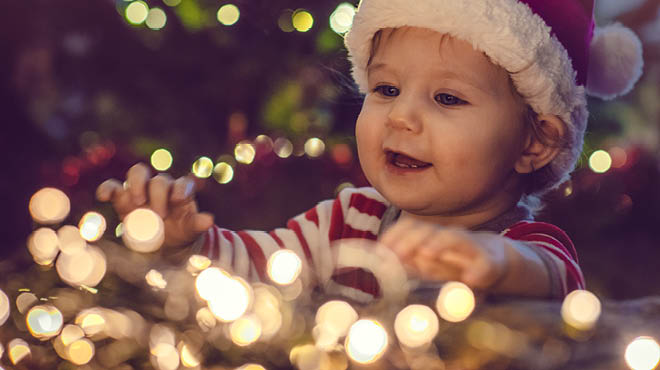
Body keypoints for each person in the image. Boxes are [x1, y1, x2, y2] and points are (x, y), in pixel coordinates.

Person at [97, 0, 643, 302]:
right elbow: (256, 268)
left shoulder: (527, 244)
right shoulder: (348, 220)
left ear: (535, 141)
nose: (400, 116)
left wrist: (494, 262)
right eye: (385, 89)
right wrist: (185, 242)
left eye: (447, 97)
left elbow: (549, 276)